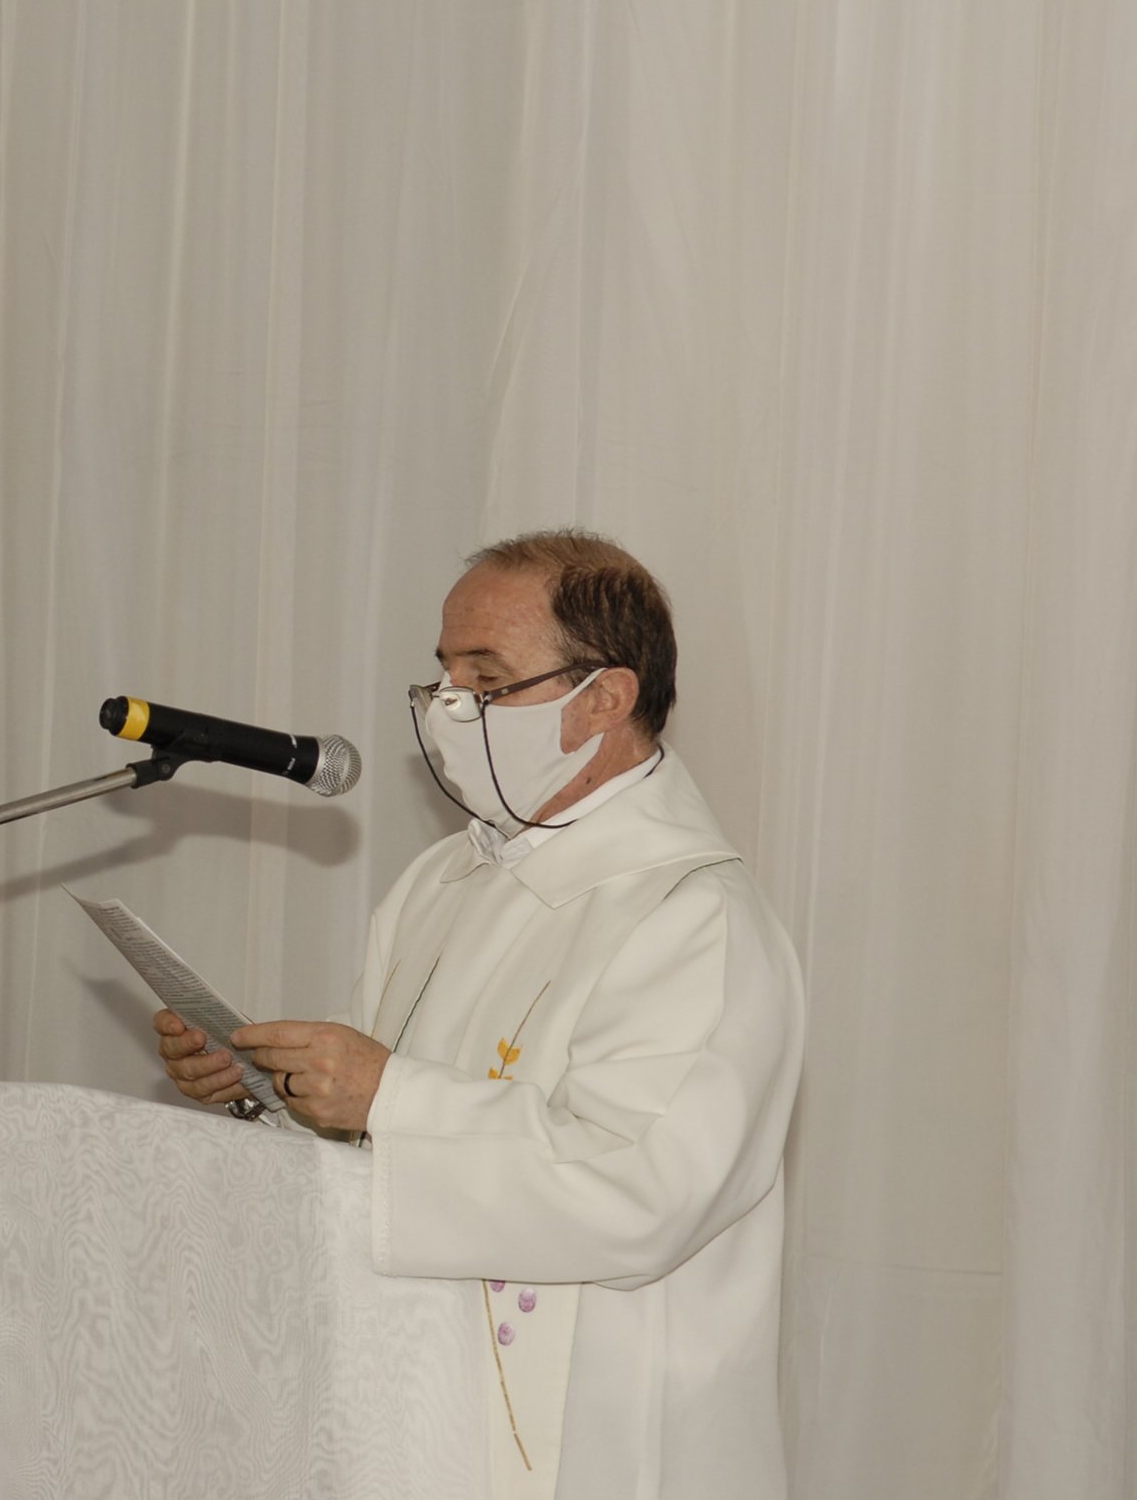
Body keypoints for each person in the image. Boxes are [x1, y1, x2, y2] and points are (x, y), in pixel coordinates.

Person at [154, 531, 803, 1500]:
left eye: (485, 674)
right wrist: (268, 1089)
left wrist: (386, 1092)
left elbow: (642, 1190)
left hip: (602, 1430)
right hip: (413, 1392)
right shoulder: (445, 875)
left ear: (605, 697)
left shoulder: (690, 914)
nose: (450, 704)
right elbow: (374, 1142)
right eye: (442, 673)